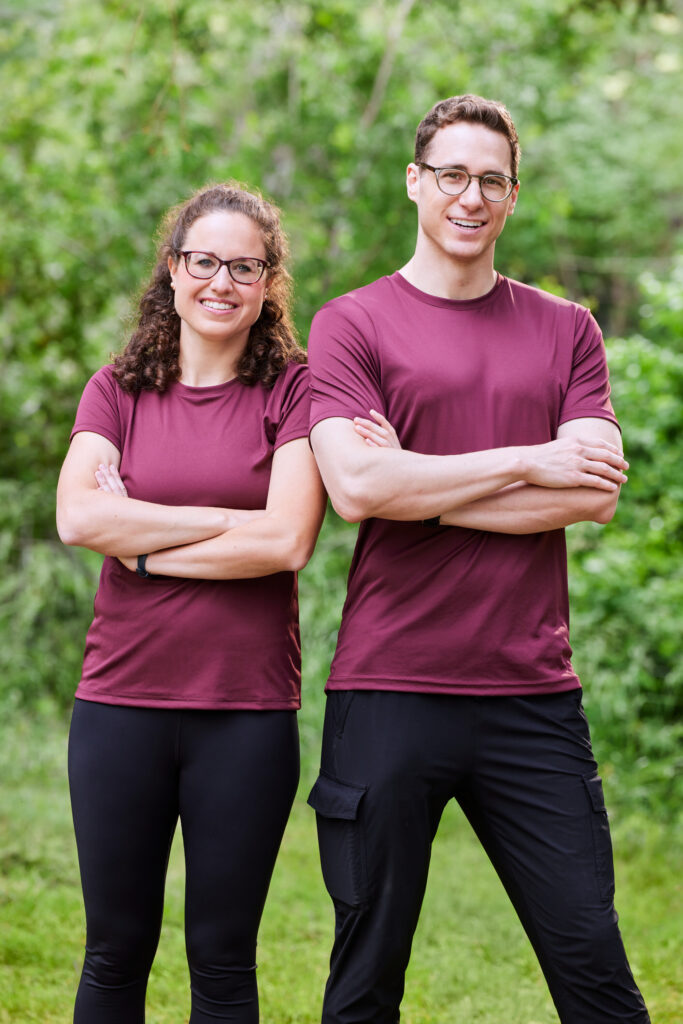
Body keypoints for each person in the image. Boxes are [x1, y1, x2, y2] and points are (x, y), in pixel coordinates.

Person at [306, 95, 649, 1023]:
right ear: (415, 181)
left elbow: (592, 495)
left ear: (512, 194)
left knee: (596, 978)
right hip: (388, 688)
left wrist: (419, 480)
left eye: (490, 179)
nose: (470, 196)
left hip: (532, 697)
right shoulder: (350, 324)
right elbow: (356, 492)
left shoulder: (565, 328)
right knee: (364, 980)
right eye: (451, 174)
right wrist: (526, 460)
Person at [56, 182, 326, 1024]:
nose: (222, 282)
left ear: (267, 281)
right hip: (119, 706)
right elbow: (78, 516)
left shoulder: (295, 391)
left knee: (221, 961)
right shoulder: (117, 389)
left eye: (244, 266)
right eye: (204, 261)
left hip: (244, 714)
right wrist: (217, 521)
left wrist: (139, 539)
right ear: (172, 271)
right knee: (113, 952)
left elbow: (284, 542)